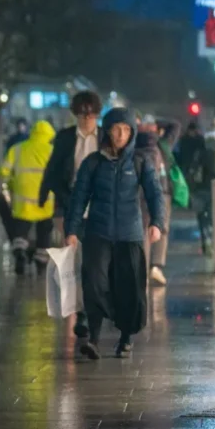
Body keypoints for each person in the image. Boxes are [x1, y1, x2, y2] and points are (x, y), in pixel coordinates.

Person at [65, 108, 165, 360]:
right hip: (98, 234)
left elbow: (155, 194)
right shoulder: (93, 163)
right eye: (115, 128)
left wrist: (157, 223)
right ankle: (95, 339)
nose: (120, 134)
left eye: (126, 129)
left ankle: (125, 338)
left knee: (129, 287)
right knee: (95, 284)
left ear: (131, 133)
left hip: (129, 235)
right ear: (107, 131)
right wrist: (72, 230)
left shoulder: (141, 162)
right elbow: (79, 198)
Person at [39, 90, 102, 338]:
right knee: (74, 263)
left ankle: (92, 311)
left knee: (94, 263)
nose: (86, 118)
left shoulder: (105, 137)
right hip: (71, 205)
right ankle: (81, 314)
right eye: (81, 112)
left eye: (90, 113)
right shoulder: (65, 138)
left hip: (99, 207)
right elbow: (53, 168)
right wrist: (46, 197)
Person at [0, 120, 56, 275]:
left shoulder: (17, 149)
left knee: (21, 229)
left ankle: (20, 253)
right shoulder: (53, 151)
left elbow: (3, 171)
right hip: (46, 201)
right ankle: (41, 262)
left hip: (22, 200)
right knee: (44, 231)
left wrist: (11, 183)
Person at [135, 114, 178, 287]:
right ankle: (156, 266)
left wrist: (140, 125)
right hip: (163, 192)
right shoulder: (163, 144)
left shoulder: (133, 145)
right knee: (162, 229)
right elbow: (175, 124)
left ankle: (142, 270)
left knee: (144, 231)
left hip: (140, 194)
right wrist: (157, 123)